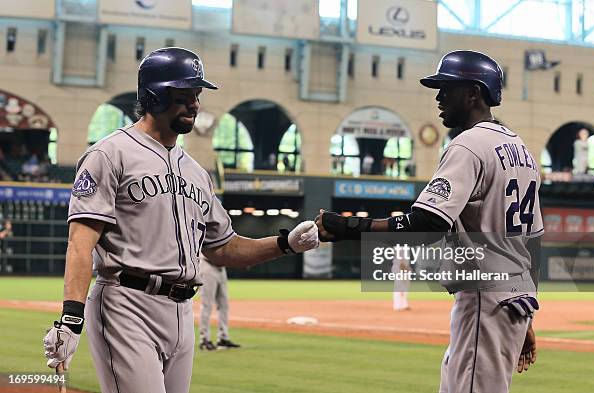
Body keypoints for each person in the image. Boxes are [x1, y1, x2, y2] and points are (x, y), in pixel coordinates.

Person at [42, 47, 320, 393]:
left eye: (196, 95)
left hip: (182, 310)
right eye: (183, 95)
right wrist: (71, 318)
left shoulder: (196, 173)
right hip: (126, 304)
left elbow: (224, 248)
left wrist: (285, 243)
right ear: (154, 96)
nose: (194, 104)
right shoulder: (109, 154)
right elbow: (80, 244)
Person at [316, 50, 543, 393]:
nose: (438, 97)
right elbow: (531, 239)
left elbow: (426, 223)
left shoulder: (469, 145)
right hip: (510, 300)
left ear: (473, 93)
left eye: (446, 88)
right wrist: (523, 312)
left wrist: (349, 227)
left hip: (485, 297)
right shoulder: (521, 150)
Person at [198, 254, 239, 351]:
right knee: (207, 305)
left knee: (224, 305)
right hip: (207, 267)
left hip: (221, 269)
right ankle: (204, 340)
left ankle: (223, 338)